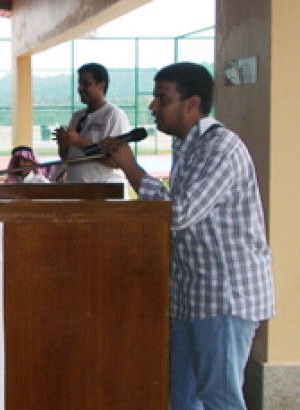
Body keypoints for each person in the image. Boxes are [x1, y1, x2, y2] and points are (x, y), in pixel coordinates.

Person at [98, 62, 275, 410]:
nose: (153, 107)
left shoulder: (220, 147)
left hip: (224, 296)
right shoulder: (186, 147)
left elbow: (178, 214)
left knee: (219, 398)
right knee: (182, 398)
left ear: (192, 103)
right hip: (192, 295)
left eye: (162, 98)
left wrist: (130, 167)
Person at [55, 63, 130, 183]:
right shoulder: (77, 116)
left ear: (101, 86)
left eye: (86, 83)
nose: (80, 88)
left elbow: (116, 161)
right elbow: (67, 158)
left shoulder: (113, 115)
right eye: (79, 83)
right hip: (77, 192)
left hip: (104, 193)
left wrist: (78, 141)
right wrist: (63, 142)